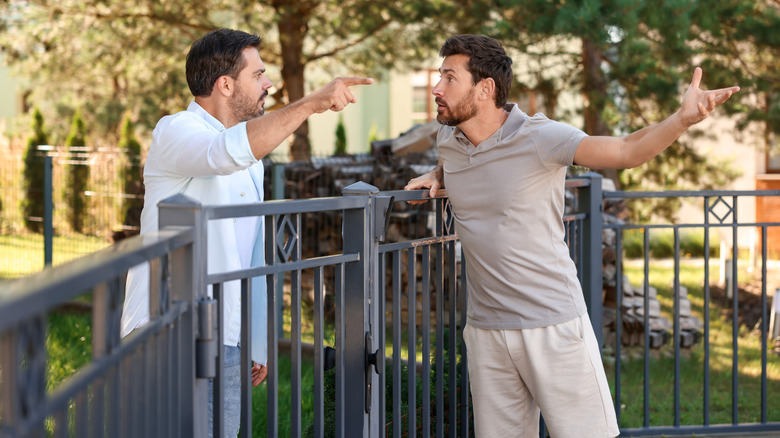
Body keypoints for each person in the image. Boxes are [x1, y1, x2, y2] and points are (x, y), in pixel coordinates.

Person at [405, 34, 738, 437]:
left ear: (485, 88)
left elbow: (626, 150)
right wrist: (437, 175)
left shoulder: (541, 138)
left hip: (552, 324)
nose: (436, 88)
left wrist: (681, 118)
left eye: (449, 78)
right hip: (485, 329)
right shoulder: (450, 139)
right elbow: (462, 163)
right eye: (438, 77)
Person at [119, 28, 372, 437]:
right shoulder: (175, 130)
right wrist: (308, 105)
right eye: (259, 75)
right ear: (225, 84)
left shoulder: (251, 159)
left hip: (226, 336)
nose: (269, 84)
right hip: (168, 330)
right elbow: (223, 153)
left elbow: (250, 253)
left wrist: (254, 340)